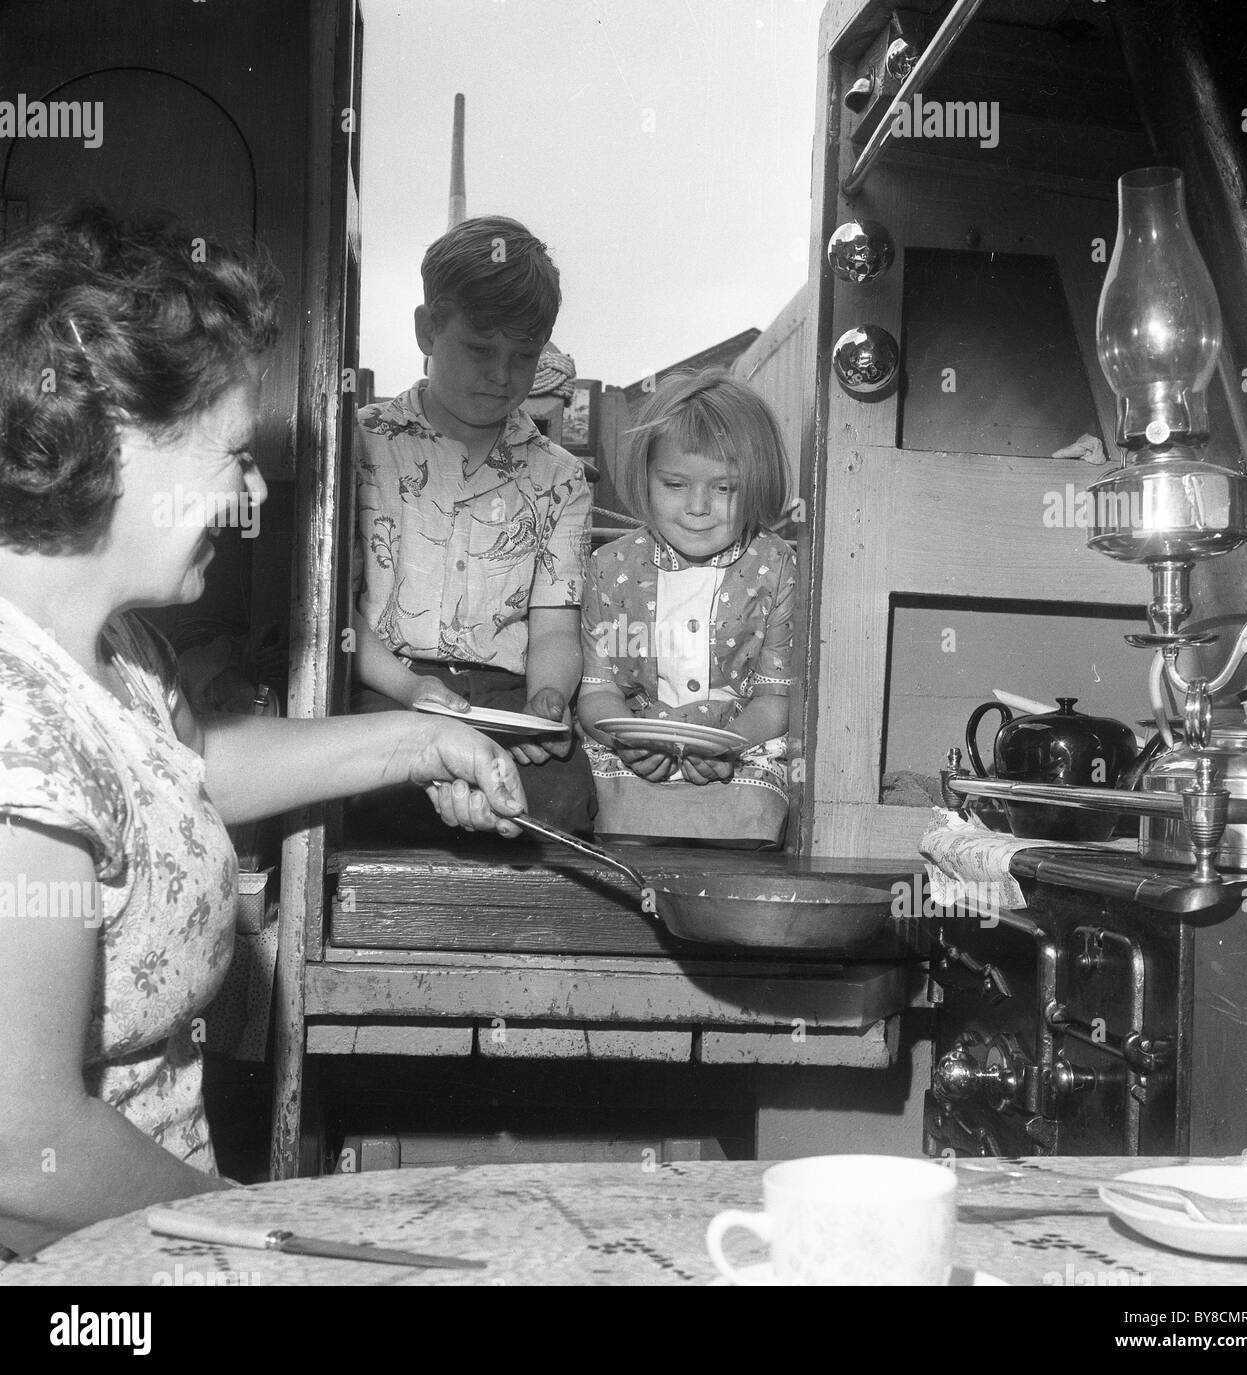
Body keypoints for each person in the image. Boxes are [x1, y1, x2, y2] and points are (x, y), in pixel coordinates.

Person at [0, 205, 526, 1258]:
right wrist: (256, 1231)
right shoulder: (15, 736)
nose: (250, 496)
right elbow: (19, 1146)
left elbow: (182, 774)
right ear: (113, 439)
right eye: (235, 456)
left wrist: (419, 741)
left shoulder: (120, 650)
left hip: (154, 1239)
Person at [350, 215, 597, 838]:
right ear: (427, 329)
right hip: (383, 681)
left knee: (562, 797)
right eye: (480, 349)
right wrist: (410, 691)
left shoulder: (561, 479)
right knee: (363, 788)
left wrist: (549, 698)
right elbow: (332, 617)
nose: (501, 375)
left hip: (500, 701)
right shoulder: (356, 445)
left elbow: (555, 629)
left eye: (524, 356)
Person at [576, 368, 797, 846]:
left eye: (724, 488)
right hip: (630, 762)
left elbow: (775, 698)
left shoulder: (777, 566)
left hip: (741, 759)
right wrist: (625, 739)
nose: (698, 507)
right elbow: (596, 692)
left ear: (758, 483)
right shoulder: (607, 568)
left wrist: (730, 743)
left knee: (745, 830)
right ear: (646, 477)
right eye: (675, 484)